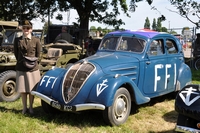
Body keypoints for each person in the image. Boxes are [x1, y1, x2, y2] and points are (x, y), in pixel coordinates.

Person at [14, 20, 41, 114]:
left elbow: (38, 54)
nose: (26, 29)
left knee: (31, 90)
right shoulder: (17, 40)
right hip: (21, 67)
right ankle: (24, 108)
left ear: (31, 29)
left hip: (33, 68)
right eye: (24, 28)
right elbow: (16, 54)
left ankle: (31, 108)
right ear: (22, 29)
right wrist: (22, 61)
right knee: (23, 89)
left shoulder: (36, 40)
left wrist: (31, 62)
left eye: (28, 28)